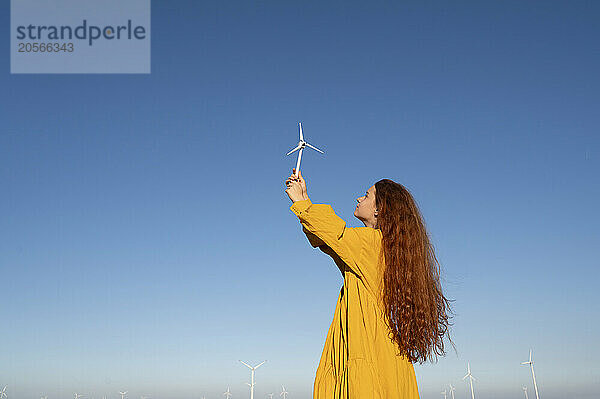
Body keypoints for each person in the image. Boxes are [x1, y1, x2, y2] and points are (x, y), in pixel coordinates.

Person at [285, 168, 456, 399]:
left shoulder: (372, 246)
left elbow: (336, 235)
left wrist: (301, 203)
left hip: (367, 363)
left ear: (378, 209)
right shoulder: (386, 252)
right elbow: (329, 240)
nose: (359, 198)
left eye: (366, 195)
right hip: (389, 362)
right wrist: (305, 199)